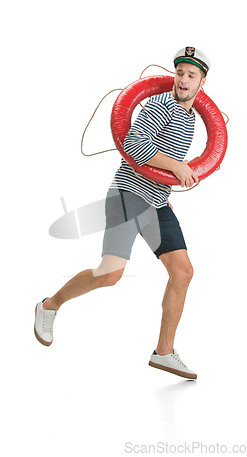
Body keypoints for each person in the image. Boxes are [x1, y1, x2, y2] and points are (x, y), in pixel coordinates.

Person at [34, 47, 211, 380]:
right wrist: (177, 166)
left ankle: (164, 352)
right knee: (110, 274)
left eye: (191, 75)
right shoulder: (161, 105)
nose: (184, 80)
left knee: (183, 272)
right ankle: (48, 306)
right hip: (128, 195)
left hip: (157, 202)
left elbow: (163, 159)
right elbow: (134, 144)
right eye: (181, 73)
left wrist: (167, 187)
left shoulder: (190, 118)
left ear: (203, 80)